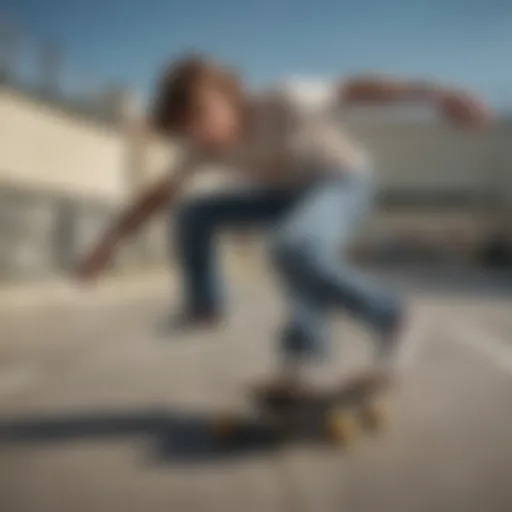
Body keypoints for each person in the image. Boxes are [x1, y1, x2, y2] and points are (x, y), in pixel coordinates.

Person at [77, 55, 491, 389]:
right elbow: (157, 196)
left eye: (206, 116)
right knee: (194, 213)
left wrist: (435, 92)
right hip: (285, 196)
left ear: (228, 93)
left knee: (294, 246)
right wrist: (107, 244)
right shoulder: (201, 148)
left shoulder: (284, 98)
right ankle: (209, 309)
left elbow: (353, 89)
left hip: (341, 180)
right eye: (190, 128)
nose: (204, 134)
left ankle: (393, 319)